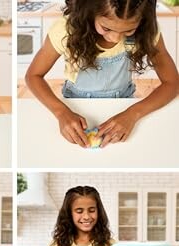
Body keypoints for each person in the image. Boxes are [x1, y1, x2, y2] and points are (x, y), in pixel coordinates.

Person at [25, 0, 179, 148]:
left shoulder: (146, 31)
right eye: (106, 28)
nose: (115, 37)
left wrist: (133, 114)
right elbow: (33, 76)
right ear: (91, 11)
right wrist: (61, 112)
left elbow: (172, 83)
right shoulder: (66, 30)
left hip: (123, 107)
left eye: (129, 30)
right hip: (74, 108)